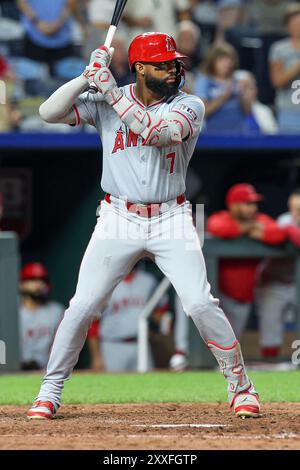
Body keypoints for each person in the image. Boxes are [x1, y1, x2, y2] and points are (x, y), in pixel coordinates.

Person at [27, 32, 260, 420]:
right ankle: (49, 391)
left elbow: (155, 133)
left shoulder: (189, 105)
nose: (172, 70)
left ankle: (241, 387)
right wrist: (88, 76)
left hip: (171, 216)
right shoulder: (106, 98)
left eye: (174, 63)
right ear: (139, 68)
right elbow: (48, 113)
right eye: (162, 64)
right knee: (82, 306)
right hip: (118, 216)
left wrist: (110, 92)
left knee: (200, 302)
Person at [207, 183, 286, 339]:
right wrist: (250, 228)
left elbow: (278, 234)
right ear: (234, 205)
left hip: (242, 298)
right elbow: (217, 227)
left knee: (232, 344)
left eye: (254, 204)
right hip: (217, 295)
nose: (253, 208)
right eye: (247, 203)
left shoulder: (261, 219)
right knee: (215, 342)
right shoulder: (222, 217)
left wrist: (248, 229)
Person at [87, 267, 169, 372]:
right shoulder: (105, 283)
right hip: (113, 345)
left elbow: (162, 307)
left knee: (147, 384)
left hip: (141, 344)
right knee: (113, 386)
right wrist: (96, 357)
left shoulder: (148, 281)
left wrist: (155, 325)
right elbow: (93, 323)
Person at [257, 189, 300, 360]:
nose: (295, 214)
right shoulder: (285, 219)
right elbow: (273, 235)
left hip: (296, 284)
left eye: (299, 209)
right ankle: (269, 367)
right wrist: (289, 228)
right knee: (270, 331)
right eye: (293, 208)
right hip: (274, 282)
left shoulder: (289, 224)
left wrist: (290, 231)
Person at [194, 42, 251, 133]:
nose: (227, 64)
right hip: (213, 134)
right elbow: (202, 112)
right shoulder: (204, 81)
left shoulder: (238, 79)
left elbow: (248, 112)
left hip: (239, 133)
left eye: (230, 60)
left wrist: (244, 94)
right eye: (222, 60)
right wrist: (224, 96)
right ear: (213, 61)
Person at [19, 262, 64, 370]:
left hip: (47, 371)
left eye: (42, 280)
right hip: (18, 370)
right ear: (22, 284)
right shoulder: (13, 314)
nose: (38, 284)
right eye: (32, 280)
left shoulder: (56, 311)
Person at [17, 0, 74, 71]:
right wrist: (37, 22)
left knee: (66, 76)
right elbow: (22, 2)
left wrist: (59, 23)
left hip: (62, 39)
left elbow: (70, 3)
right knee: (34, 76)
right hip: (34, 37)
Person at [269, 3, 300, 133]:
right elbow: (277, 81)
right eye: (295, 23)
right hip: (289, 111)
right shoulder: (279, 49)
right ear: (288, 25)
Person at [123, 0, 191, 44]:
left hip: (168, 36)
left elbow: (183, 10)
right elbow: (122, 15)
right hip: (137, 38)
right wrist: (136, 22)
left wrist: (184, 30)